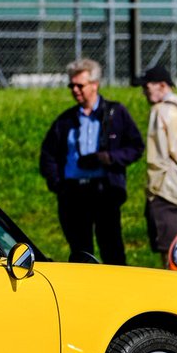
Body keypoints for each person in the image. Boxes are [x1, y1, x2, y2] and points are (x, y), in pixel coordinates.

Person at [39, 58, 144, 265]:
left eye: (80, 85)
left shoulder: (115, 113)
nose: (75, 90)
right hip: (73, 192)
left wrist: (110, 158)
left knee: (111, 247)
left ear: (95, 85)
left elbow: (136, 147)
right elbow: (48, 155)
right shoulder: (65, 120)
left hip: (104, 191)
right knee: (80, 251)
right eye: (72, 85)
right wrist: (57, 184)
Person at [139, 65, 177, 263]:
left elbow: (158, 158)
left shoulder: (160, 111)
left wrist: (152, 191)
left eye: (147, 87)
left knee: (168, 253)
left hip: (166, 191)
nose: (144, 92)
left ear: (162, 86)